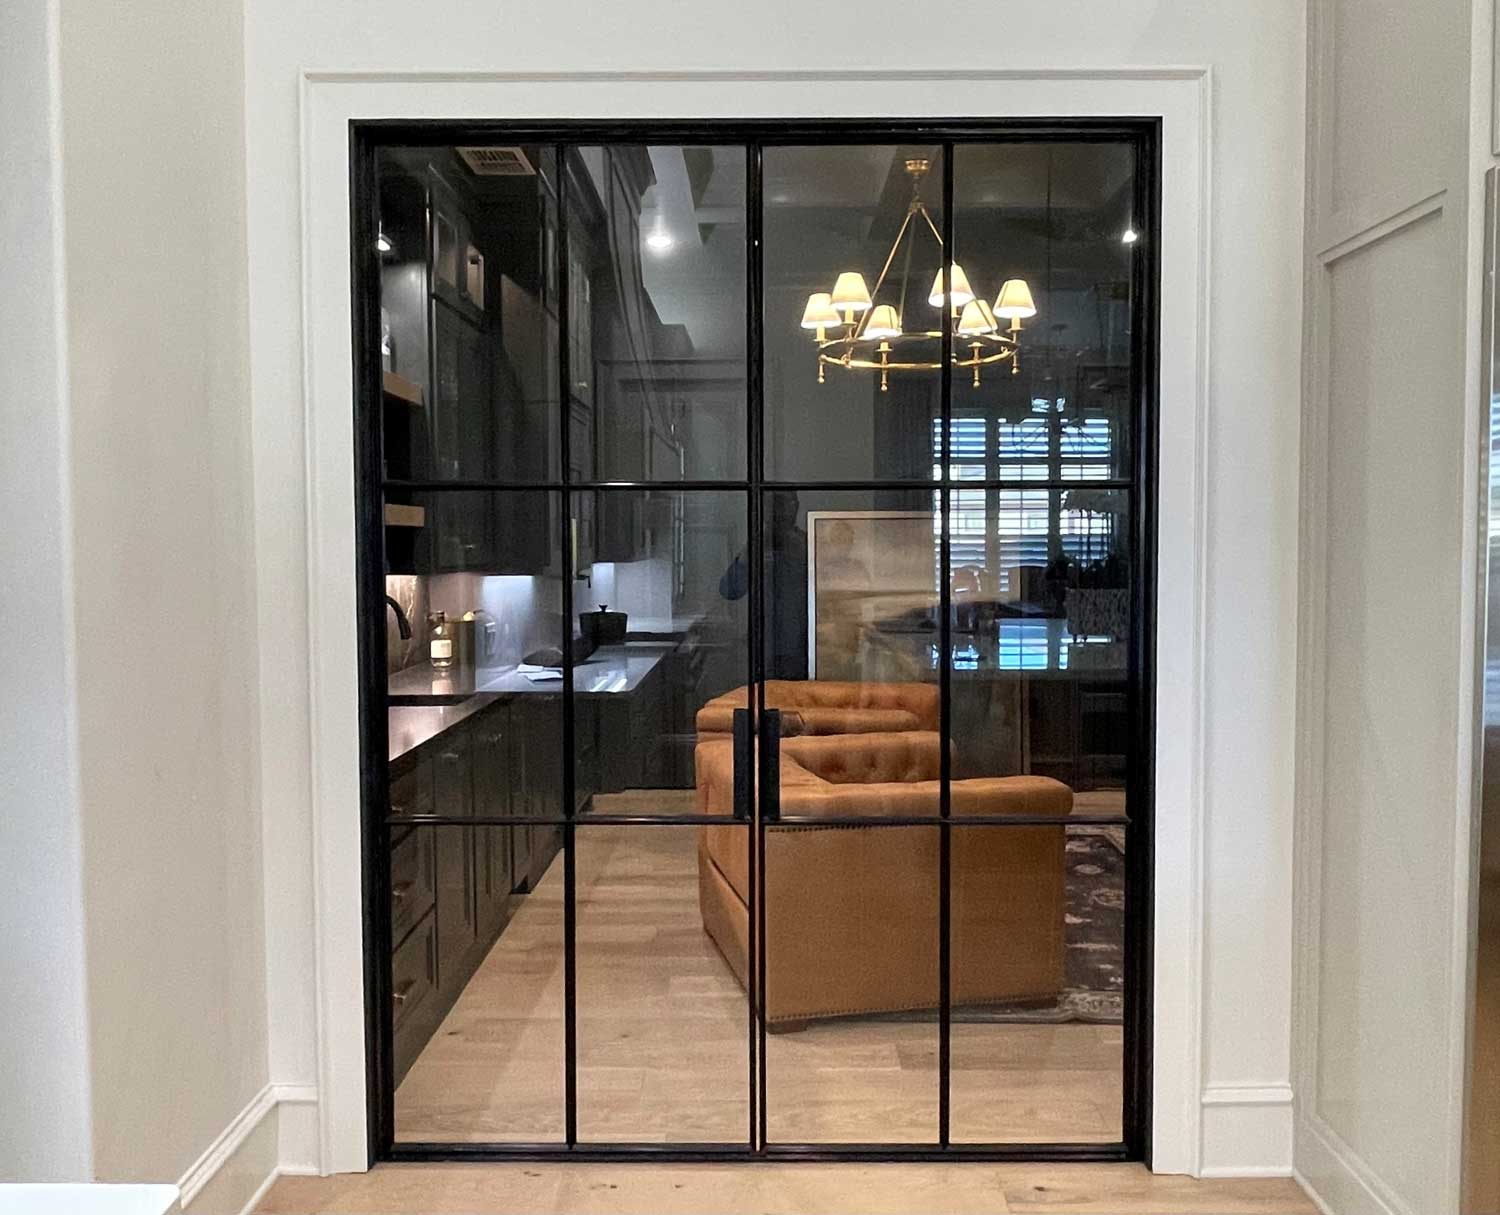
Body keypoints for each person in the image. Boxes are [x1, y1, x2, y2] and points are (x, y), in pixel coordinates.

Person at [719, 494, 808, 680]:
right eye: (773, 506)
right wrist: (748, 557)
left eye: (785, 505)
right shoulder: (757, 546)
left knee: (799, 695)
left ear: (796, 507)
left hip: (801, 648)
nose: (779, 513)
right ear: (764, 510)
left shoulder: (806, 545)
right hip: (764, 649)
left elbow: (824, 593)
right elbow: (730, 590)